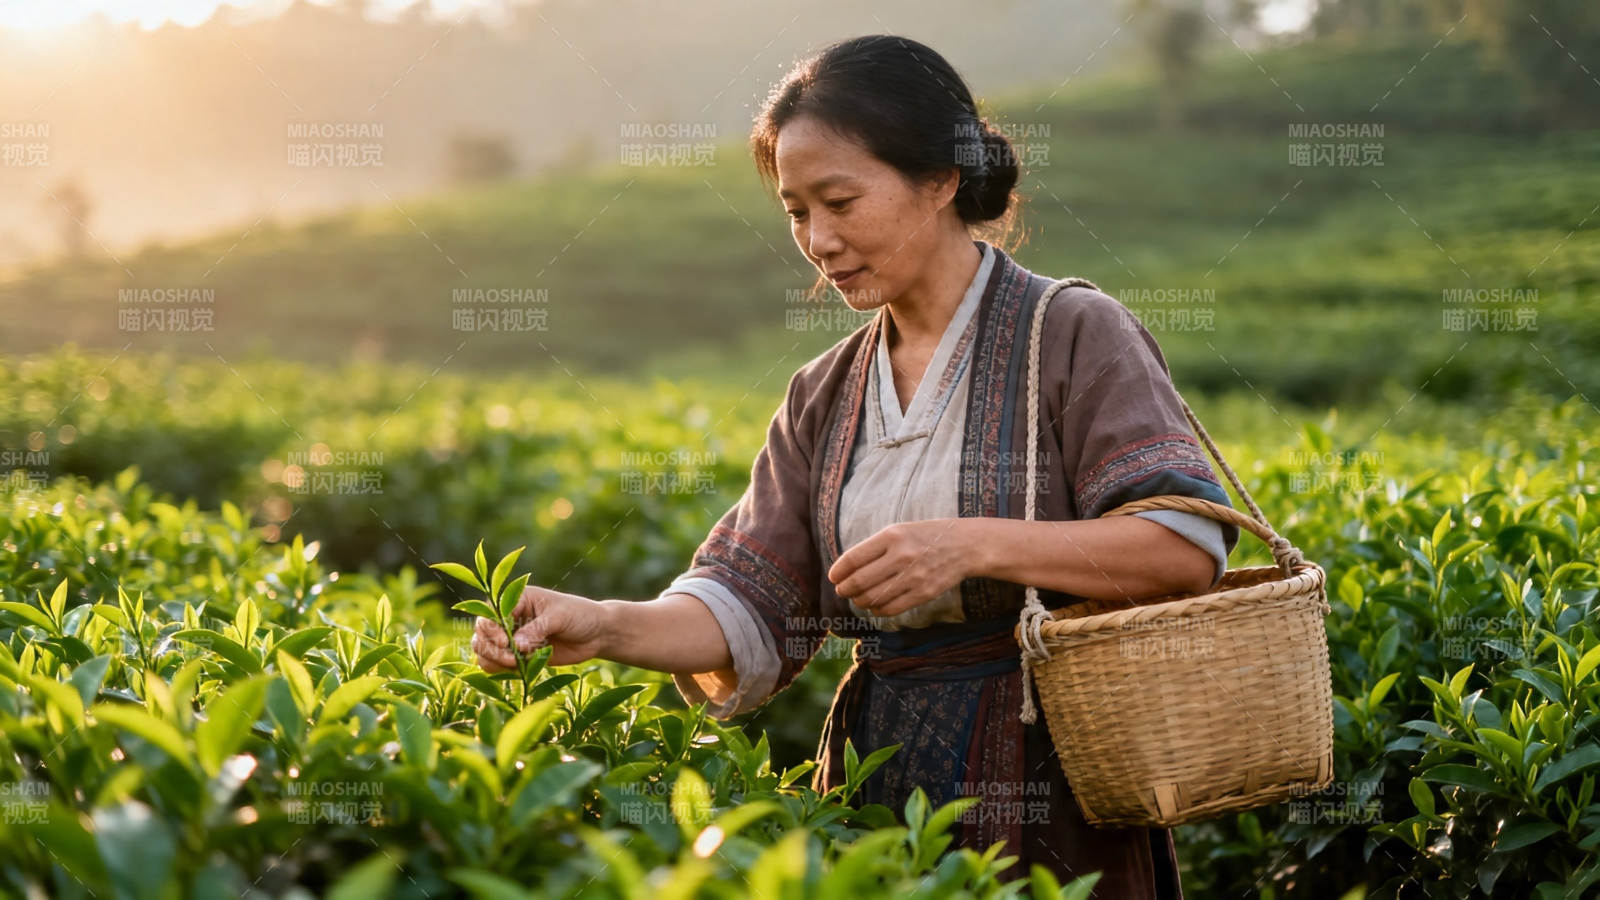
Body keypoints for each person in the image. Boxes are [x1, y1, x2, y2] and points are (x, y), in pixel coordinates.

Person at [473, 34, 1241, 898]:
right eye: (797, 211)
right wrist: (606, 624)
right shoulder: (824, 391)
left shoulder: (1068, 335)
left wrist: (971, 546)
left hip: (1052, 793)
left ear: (941, 179)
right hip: (879, 794)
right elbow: (748, 601)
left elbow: (1182, 548)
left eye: (841, 200)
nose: (819, 240)